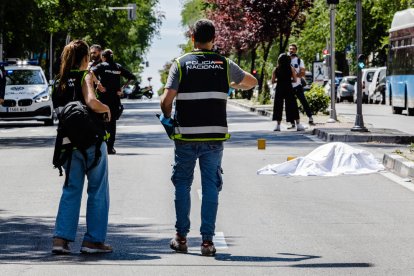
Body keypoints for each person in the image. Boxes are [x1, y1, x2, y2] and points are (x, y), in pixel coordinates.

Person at [160, 19, 257, 256]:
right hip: (214, 136)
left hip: (185, 137)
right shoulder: (223, 64)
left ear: (192, 38)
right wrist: (234, 85)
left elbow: (166, 102)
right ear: (214, 39)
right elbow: (252, 82)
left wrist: (168, 119)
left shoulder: (180, 64)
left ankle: (181, 238)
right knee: (210, 186)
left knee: (182, 184)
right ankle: (207, 242)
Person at [52, 40, 112, 254]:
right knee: (98, 190)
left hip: (67, 143)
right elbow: (91, 101)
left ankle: (61, 240)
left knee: (71, 189)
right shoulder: (84, 76)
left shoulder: (59, 81)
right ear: (86, 58)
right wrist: (106, 109)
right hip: (91, 142)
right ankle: (93, 241)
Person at [91, 49, 136, 154]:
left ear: (103, 57)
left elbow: (90, 72)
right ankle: (110, 147)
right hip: (115, 100)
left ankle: (101, 145)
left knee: (101, 122)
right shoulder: (118, 67)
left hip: (102, 98)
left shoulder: (101, 66)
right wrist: (122, 88)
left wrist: (98, 83)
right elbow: (132, 77)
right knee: (112, 123)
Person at [271, 53, 304, 131]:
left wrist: (278, 81)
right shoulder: (291, 68)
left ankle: (278, 125)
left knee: (278, 105)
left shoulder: (276, 69)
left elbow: (272, 81)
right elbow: (295, 80)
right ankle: (298, 125)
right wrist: (288, 80)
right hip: (289, 87)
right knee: (292, 105)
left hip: (279, 88)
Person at [288, 43, 314, 128]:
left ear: (296, 50)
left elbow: (302, 73)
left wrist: (294, 75)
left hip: (298, 85)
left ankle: (310, 118)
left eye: (293, 49)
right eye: (290, 49)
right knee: (290, 104)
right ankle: (292, 123)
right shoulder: (285, 60)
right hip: (289, 86)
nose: (291, 50)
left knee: (304, 101)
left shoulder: (299, 61)